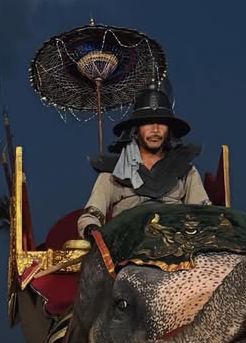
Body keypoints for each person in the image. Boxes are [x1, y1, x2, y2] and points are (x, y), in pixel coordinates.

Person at [77, 86, 210, 237]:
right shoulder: (113, 172)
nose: (155, 129)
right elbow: (91, 216)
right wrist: (92, 230)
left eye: (161, 123)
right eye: (148, 123)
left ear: (169, 130)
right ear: (136, 130)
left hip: (175, 243)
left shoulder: (185, 171)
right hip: (128, 244)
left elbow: (204, 214)